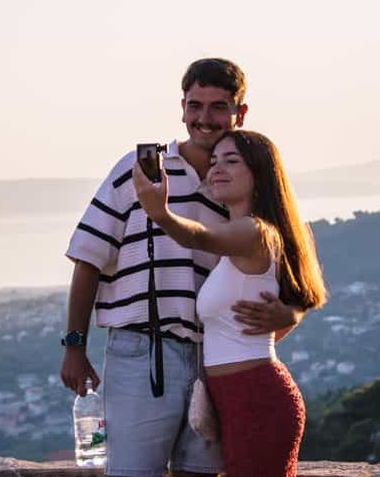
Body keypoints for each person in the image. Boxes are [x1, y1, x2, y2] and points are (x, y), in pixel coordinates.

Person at [61, 58, 302, 477]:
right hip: (142, 351)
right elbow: (89, 258)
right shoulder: (139, 172)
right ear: (182, 108)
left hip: (214, 360)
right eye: (195, 106)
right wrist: (74, 347)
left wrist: (291, 313)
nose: (204, 118)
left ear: (240, 112)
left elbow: (290, 270)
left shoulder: (239, 184)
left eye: (218, 107)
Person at [132, 129, 328, 477]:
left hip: (256, 398)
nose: (217, 169)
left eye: (231, 161)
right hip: (238, 398)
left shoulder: (255, 232)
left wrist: (160, 213)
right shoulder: (246, 234)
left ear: (259, 173)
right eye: (214, 161)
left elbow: (199, 237)